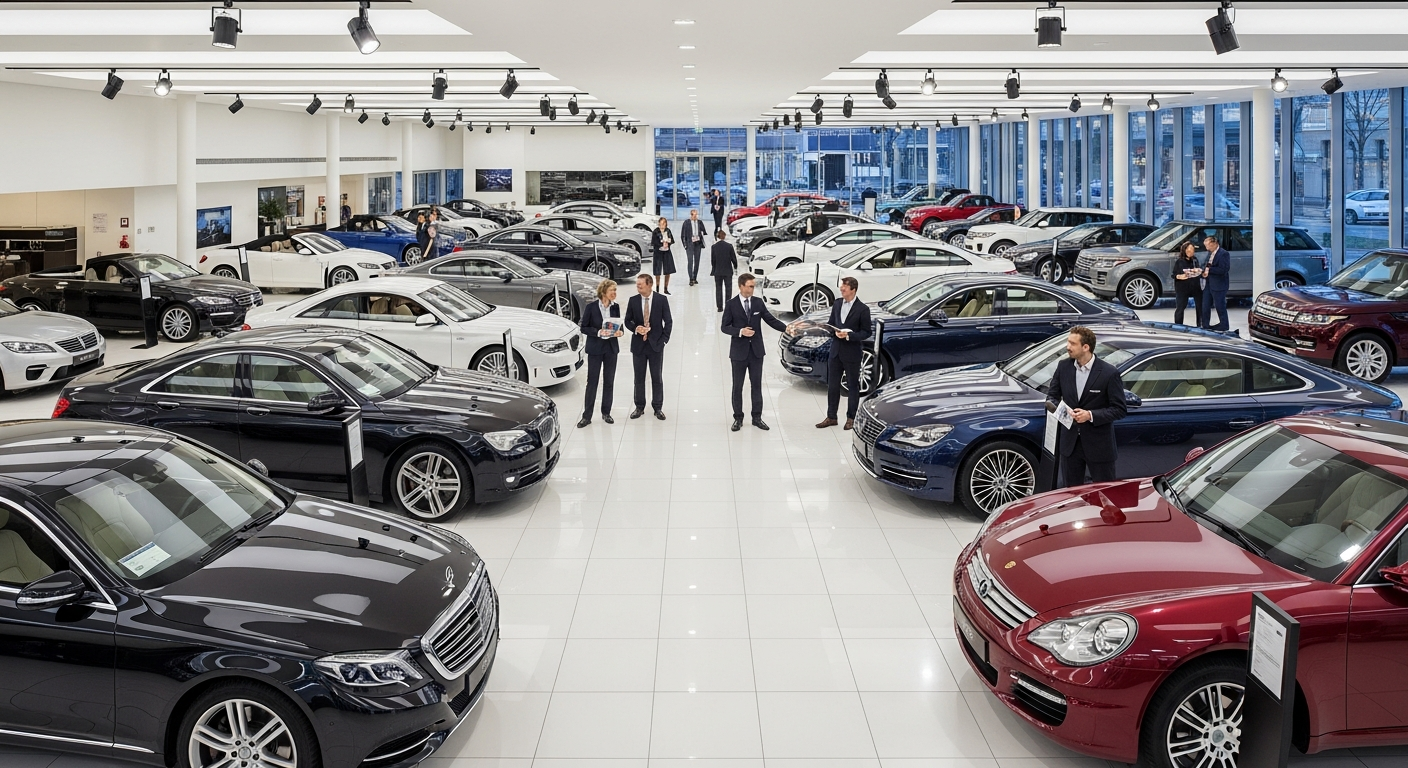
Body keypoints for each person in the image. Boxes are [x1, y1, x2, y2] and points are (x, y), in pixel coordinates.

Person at [1046, 326, 1128, 487]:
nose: (1067, 347)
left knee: (1105, 494)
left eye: (1072, 343)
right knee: (1071, 494)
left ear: (1086, 347)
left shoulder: (1108, 373)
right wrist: (1062, 411)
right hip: (1070, 445)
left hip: (1099, 446)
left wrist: (1090, 415)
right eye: (1068, 342)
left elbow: (1119, 409)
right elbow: (1052, 397)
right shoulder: (1063, 367)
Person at [722, 273, 789, 431]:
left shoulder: (758, 303)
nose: (753, 289)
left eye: (753, 286)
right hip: (738, 353)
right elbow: (724, 327)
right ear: (741, 286)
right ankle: (738, 418)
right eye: (750, 286)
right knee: (737, 386)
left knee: (756, 385)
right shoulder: (731, 304)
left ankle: (757, 417)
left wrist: (787, 328)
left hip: (756, 352)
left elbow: (770, 319)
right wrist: (740, 331)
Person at [816, 277, 873, 430]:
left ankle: (851, 418)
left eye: (844, 288)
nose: (841, 290)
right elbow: (832, 323)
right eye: (841, 287)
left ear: (853, 290)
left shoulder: (863, 309)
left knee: (852, 386)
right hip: (835, 352)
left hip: (852, 353)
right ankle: (831, 416)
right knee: (832, 386)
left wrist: (849, 335)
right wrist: (828, 329)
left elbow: (866, 332)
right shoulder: (837, 303)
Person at [625, 273, 672, 420]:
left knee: (656, 377)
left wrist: (664, 340)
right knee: (639, 377)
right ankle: (639, 407)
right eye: (637, 284)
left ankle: (657, 407)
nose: (638, 286)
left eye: (641, 284)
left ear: (650, 284)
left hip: (656, 345)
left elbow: (668, 321)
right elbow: (627, 321)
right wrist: (636, 328)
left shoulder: (661, 300)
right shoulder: (633, 301)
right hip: (639, 345)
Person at [578, 279, 625, 428]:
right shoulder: (591, 307)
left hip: (611, 349)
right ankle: (587, 416)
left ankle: (606, 412)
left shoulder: (615, 307)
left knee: (609, 381)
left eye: (615, 290)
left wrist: (619, 332)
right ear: (604, 291)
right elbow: (583, 327)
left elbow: (620, 326)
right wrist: (598, 332)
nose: (614, 293)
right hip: (595, 349)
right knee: (592, 382)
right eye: (612, 290)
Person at [1200, 235, 1231, 331]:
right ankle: (1205, 325)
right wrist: (1203, 272)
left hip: (1219, 285)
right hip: (1208, 283)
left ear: (1214, 243)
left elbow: (1224, 269)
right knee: (1205, 305)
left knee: (1220, 306)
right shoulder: (1210, 253)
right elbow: (1207, 265)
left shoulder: (1223, 254)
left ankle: (1224, 325)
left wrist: (1209, 270)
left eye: (1207, 245)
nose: (1206, 248)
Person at [1171, 241, 1204, 327]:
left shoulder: (1195, 260)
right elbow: (1174, 275)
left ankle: (1200, 325)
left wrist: (1198, 271)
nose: (1191, 252)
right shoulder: (1179, 261)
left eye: (1192, 250)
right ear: (1184, 250)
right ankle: (1178, 325)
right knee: (1181, 307)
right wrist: (1180, 276)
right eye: (1189, 250)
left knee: (1200, 306)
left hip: (1195, 286)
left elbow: (1198, 270)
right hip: (1183, 287)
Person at [710, 228, 738, 312]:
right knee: (728, 289)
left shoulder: (714, 247)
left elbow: (713, 260)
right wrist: (735, 266)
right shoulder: (729, 246)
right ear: (724, 236)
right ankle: (728, 306)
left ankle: (719, 307)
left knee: (718, 289)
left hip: (717, 271)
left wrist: (714, 268)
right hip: (728, 271)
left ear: (717, 237)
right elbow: (733, 258)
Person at [650, 217, 676, 295]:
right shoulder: (655, 231)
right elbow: (654, 242)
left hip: (667, 252)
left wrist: (668, 243)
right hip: (658, 253)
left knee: (668, 270)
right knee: (658, 271)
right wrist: (661, 243)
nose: (662, 225)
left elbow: (672, 240)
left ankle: (666, 288)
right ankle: (657, 288)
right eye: (661, 224)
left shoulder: (668, 231)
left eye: (664, 223)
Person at [680, 209, 706, 287]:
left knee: (697, 261)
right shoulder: (686, 223)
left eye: (696, 215)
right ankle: (691, 278)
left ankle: (695, 277)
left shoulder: (699, 222)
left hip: (698, 243)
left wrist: (701, 234)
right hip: (690, 244)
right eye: (693, 215)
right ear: (690, 215)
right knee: (690, 261)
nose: (694, 216)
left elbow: (704, 231)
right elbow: (683, 235)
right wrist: (685, 244)